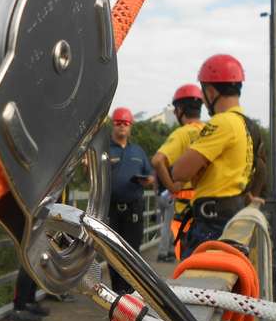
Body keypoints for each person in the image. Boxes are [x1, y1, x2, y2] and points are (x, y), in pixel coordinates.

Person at [172, 55, 267, 259]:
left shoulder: (222, 123)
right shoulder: (249, 126)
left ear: (211, 91)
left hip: (211, 224)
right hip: (234, 214)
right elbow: (258, 168)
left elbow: (179, 172)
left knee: (194, 289)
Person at [151, 84, 205, 262]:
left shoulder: (182, 134)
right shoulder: (210, 131)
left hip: (185, 214)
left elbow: (158, 161)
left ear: (180, 110)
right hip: (210, 211)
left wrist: (172, 187)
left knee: (188, 265)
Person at [108, 107, 155, 295]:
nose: (122, 127)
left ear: (130, 127)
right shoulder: (104, 148)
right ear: (113, 125)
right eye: (118, 123)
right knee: (113, 251)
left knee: (132, 251)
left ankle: (130, 291)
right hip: (111, 208)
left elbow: (151, 174)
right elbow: (92, 173)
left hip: (133, 208)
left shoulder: (138, 151)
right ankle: (117, 291)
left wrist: (148, 180)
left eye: (125, 124)